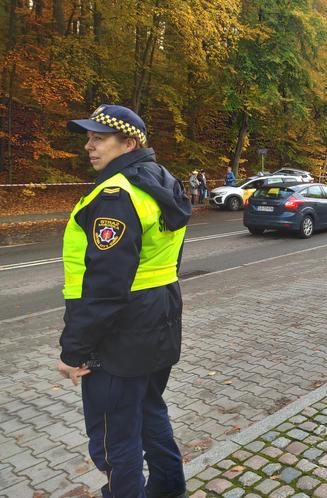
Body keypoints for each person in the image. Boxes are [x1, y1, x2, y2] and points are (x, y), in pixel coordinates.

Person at [58, 104, 191, 498]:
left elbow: (105, 286)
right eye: (88, 137)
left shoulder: (116, 195)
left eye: (99, 138)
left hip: (120, 333)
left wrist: (74, 350)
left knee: (114, 439)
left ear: (129, 143)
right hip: (159, 320)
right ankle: (168, 489)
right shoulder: (162, 182)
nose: (89, 146)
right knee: (149, 413)